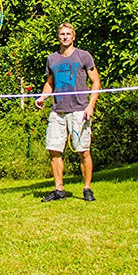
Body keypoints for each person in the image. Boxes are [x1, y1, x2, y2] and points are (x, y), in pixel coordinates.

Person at [34, 22, 102, 202]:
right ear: (58, 37)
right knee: (54, 150)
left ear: (73, 37)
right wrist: (42, 97)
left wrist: (91, 105)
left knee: (84, 151)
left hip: (79, 109)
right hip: (58, 111)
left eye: (68, 34)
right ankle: (59, 189)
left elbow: (96, 82)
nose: (65, 37)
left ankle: (87, 188)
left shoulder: (83, 56)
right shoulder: (52, 59)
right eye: (62, 34)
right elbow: (50, 83)